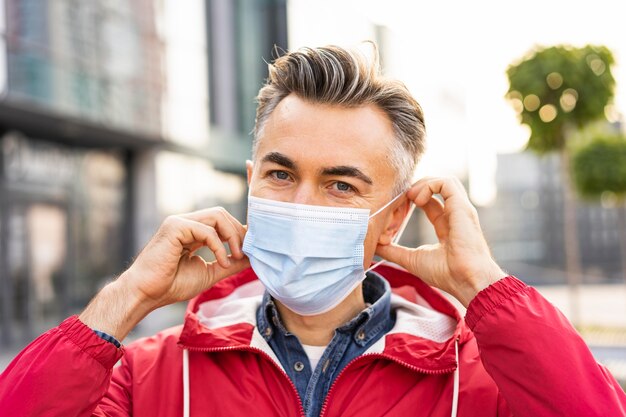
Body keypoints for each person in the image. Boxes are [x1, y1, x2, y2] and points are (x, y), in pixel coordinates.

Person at [1, 44, 625, 417]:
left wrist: (486, 288)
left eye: (341, 185)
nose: (302, 203)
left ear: (396, 216)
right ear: (249, 181)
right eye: (280, 174)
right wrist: (127, 297)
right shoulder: (150, 378)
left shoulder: (479, 381)